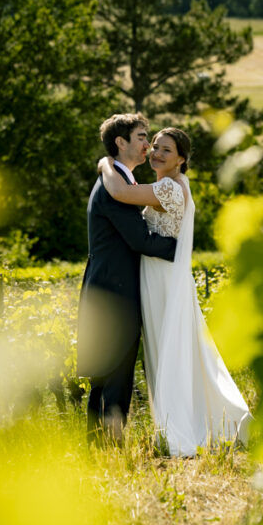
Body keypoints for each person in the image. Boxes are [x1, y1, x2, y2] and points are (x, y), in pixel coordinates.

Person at [98, 127, 252, 457]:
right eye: (154, 146)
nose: (156, 153)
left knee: (169, 349)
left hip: (162, 280)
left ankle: (180, 427)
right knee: (173, 347)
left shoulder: (169, 187)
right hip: (160, 275)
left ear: (181, 159)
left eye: (166, 150)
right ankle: (186, 421)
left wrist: (105, 163)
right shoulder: (177, 183)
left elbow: (120, 192)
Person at [77, 113, 177, 447]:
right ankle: (108, 449)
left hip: (109, 288)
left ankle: (98, 448)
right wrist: (182, 249)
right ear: (120, 142)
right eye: (141, 137)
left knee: (107, 373)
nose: (148, 144)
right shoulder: (113, 187)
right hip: (115, 293)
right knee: (115, 374)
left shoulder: (118, 180)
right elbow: (141, 241)